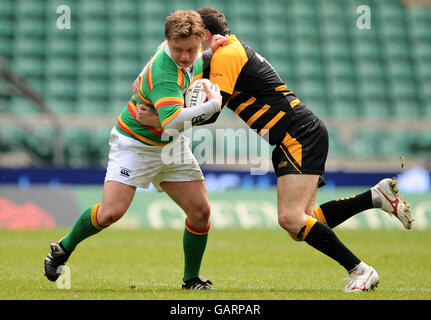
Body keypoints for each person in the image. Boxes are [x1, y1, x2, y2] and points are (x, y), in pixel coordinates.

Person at [134, 7, 414, 292]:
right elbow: (178, 65)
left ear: (206, 35)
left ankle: (361, 270)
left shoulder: (228, 55)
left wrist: (159, 119)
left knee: (291, 219)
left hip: (299, 134)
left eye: (196, 40)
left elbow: (212, 112)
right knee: (302, 221)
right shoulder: (223, 51)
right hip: (293, 135)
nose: (190, 51)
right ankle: (375, 198)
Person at [44, 10, 226, 290]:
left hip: (170, 147)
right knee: (110, 214)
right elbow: (175, 122)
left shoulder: (197, 54)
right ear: (167, 41)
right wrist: (212, 106)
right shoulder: (165, 73)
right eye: (177, 49)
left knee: (200, 211)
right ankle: (63, 248)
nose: (184, 56)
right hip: (135, 145)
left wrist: (216, 46)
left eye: (191, 49)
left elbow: (171, 123)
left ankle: (191, 280)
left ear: (201, 40)